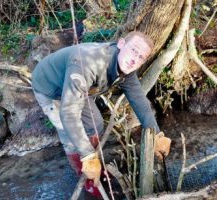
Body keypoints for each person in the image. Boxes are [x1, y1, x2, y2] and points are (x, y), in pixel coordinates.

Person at [31, 31, 171, 197]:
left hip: (79, 88)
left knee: (96, 124)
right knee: (68, 135)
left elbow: (139, 101)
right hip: (50, 88)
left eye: (141, 57)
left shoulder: (126, 68)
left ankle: (96, 163)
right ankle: (87, 177)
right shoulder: (88, 63)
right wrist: (87, 155)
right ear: (121, 44)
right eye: (134, 50)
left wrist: (157, 133)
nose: (135, 59)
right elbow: (68, 112)